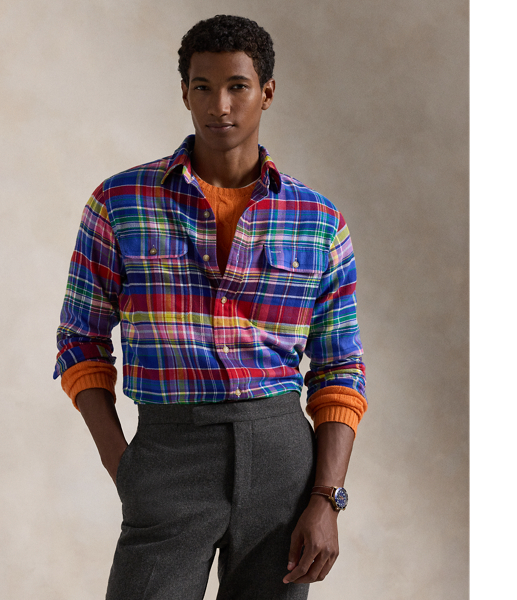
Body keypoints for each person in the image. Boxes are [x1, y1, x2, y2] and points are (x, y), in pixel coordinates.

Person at [54, 14, 367, 600]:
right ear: (184, 92)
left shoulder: (319, 221)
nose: (219, 105)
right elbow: (79, 340)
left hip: (281, 460)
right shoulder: (120, 202)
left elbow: (340, 368)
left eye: (237, 86)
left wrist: (326, 499)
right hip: (167, 451)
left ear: (266, 93)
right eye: (203, 87)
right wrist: (126, 468)